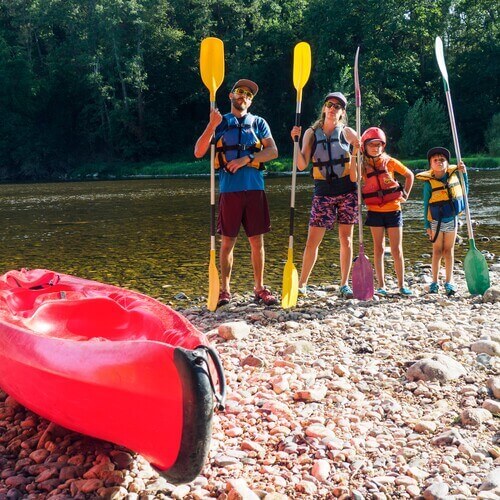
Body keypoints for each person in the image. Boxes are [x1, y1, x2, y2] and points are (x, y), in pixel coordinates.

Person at [194, 79, 279, 307]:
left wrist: (246, 159)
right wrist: (212, 125)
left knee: (256, 241)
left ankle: (259, 288)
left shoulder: (259, 123)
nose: (244, 96)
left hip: (254, 188)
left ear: (251, 101)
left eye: (249, 94)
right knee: (227, 242)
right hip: (229, 191)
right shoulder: (221, 123)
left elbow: (272, 151)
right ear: (231, 95)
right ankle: (224, 290)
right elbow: (198, 151)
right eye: (240, 92)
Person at [290, 92, 359, 298]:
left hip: (347, 190)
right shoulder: (311, 133)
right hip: (323, 192)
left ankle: (344, 283)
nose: (332, 109)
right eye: (329, 104)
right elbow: (302, 165)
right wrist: (295, 141)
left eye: (337, 107)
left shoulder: (348, 133)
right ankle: (302, 283)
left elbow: (357, 174)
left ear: (342, 112)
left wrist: (357, 148)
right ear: (324, 108)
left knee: (346, 239)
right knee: (313, 241)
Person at [356, 127, 414, 296]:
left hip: (394, 210)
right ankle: (381, 285)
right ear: (365, 147)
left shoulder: (390, 162)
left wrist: (405, 195)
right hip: (374, 212)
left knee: (397, 249)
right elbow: (355, 179)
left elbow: (409, 175)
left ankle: (401, 285)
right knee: (378, 248)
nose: (376, 148)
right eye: (372, 145)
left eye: (379, 145)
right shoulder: (362, 165)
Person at [416, 147, 468, 296]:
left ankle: (449, 281)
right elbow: (426, 204)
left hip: (451, 218)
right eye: (435, 160)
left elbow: (465, 192)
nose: (439, 162)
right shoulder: (428, 184)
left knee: (449, 250)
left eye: (442, 160)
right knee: (437, 251)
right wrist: (427, 225)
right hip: (435, 221)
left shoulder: (454, 177)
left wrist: (464, 174)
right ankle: (434, 281)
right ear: (430, 164)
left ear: (447, 163)